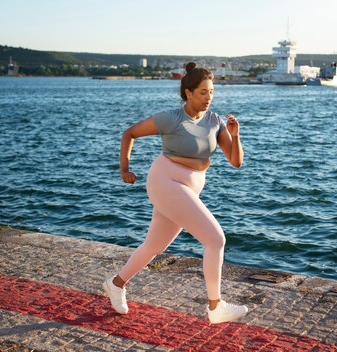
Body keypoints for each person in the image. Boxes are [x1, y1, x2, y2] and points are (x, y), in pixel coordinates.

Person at [103, 62, 248, 324]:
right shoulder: (171, 118)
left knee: (154, 246)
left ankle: (116, 283)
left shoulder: (215, 121)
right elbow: (130, 133)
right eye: (203, 92)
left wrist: (235, 136)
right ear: (188, 93)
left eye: (212, 92)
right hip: (165, 180)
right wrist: (124, 168)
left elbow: (236, 161)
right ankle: (215, 307)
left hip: (190, 186)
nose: (208, 98)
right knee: (215, 239)